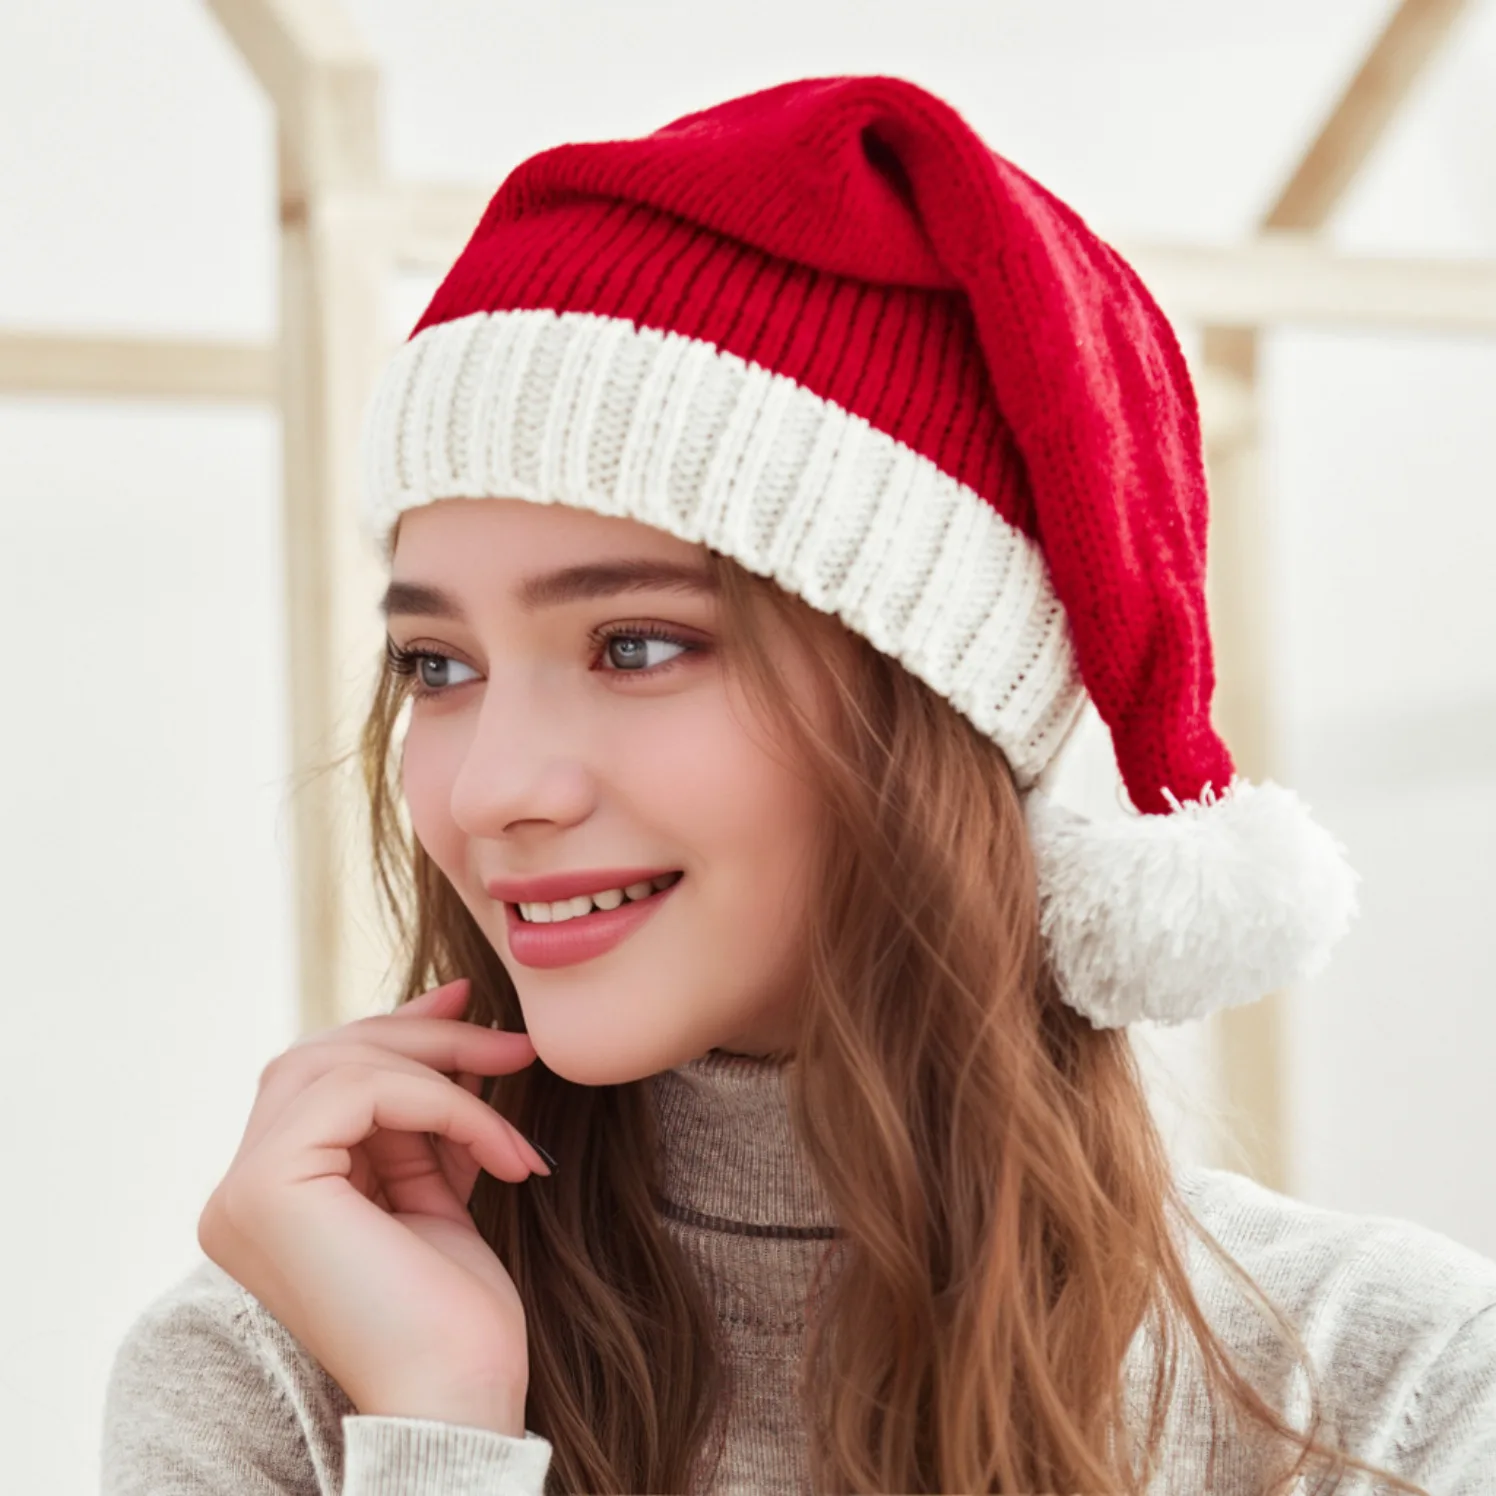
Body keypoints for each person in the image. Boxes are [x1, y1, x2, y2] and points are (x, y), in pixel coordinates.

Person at [100, 75, 1496, 1495]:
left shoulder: (1388, 1391)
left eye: (633, 645)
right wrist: (443, 1437)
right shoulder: (278, 1382)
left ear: (931, 706)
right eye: (436, 665)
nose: (489, 790)